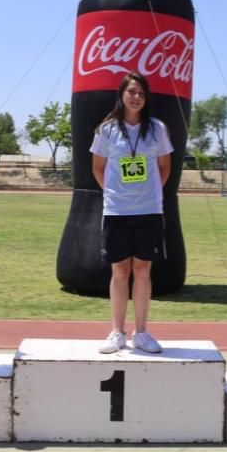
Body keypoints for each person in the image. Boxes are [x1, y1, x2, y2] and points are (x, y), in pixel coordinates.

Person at [91, 72, 173, 354]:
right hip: (116, 211)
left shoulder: (158, 129)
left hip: (149, 210)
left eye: (140, 93)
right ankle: (117, 332)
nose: (136, 97)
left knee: (143, 270)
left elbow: (164, 167)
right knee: (120, 270)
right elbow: (97, 168)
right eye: (131, 92)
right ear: (122, 96)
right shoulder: (107, 130)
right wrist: (114, 194)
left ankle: (142, 332)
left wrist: (149, 194)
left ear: (146, 97)